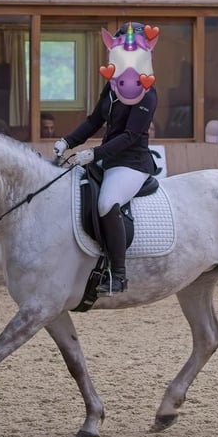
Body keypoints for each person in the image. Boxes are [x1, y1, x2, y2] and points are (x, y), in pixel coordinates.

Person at [53, 21, 160, 296]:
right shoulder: (113, 87)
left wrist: (93, 154)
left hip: (132, 162)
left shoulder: (148, 92)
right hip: (109, 159)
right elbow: (93, 121)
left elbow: (132, 136)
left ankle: (118, 275)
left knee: (106, 203)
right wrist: (67, 141)